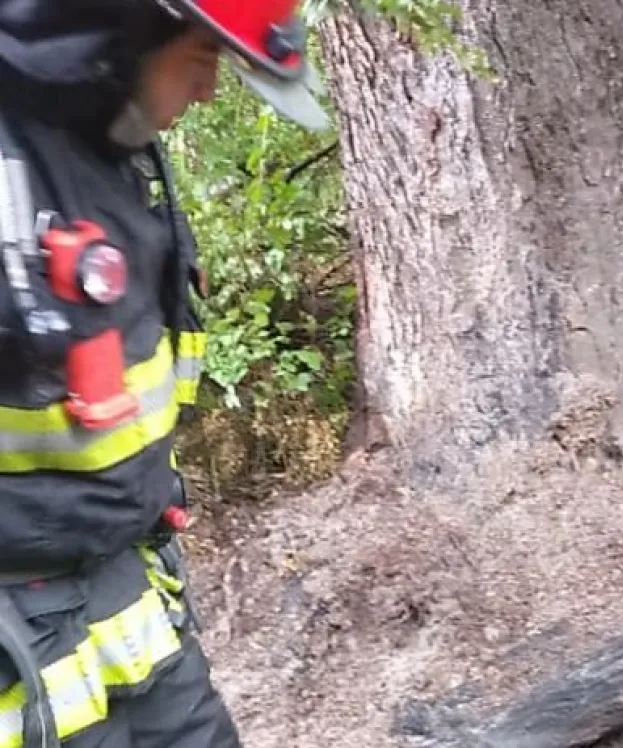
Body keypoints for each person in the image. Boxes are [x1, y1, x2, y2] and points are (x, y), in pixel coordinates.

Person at [0, 1, 330, 745]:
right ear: (126, 34)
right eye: (202, 59)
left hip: (128, 600)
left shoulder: (110, 151)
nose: (209, 94)